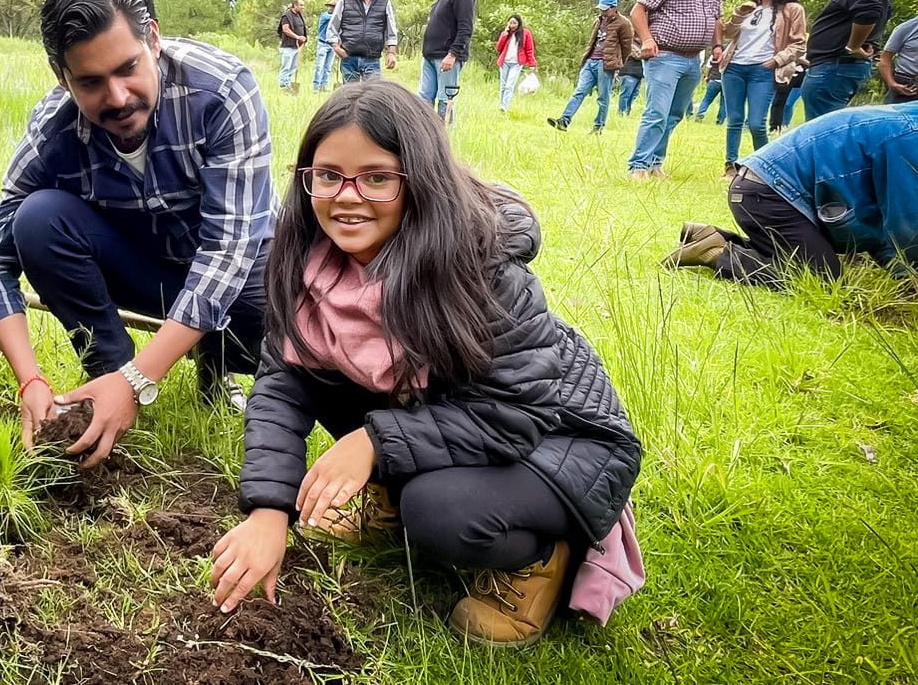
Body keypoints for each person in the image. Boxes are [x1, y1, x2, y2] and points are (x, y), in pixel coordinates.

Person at [210, 84, 642, 646]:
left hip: (559, 438)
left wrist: (372, 441)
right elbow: (281, 385)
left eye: (378, 177)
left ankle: (537, 558)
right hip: (454, 414)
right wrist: (269, 511)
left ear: (421, 180)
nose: (347, 197)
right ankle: (393, 495)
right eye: (328, 174)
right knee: (318, 376)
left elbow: (516, 410)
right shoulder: (307, 260)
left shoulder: (480, 267)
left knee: (437, 510)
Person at [0, 0, 275, 465]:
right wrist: (30, 378)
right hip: (147, 265)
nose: (116, 98)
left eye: (127, 68)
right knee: (36, 219)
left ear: (153, 39)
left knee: (274, 321)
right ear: (61, 75)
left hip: (245, 272)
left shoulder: (222, 93)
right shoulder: (54, 130)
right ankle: (108, 376)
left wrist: (141, 378)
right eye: (90, 82)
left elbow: (228, 253)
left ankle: (210, 365)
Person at [664, 103, 918, 287]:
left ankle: (708, 236)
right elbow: (907, 226)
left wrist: (896, 267)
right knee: (823, 279)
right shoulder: (910, 136)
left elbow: (884, 228)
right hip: (769, 195)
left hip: (765, 190)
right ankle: (718, 252)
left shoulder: (905, 122)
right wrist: (909, 278)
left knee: (811, 262)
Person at [626, 0, 726, 180]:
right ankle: (638, 166)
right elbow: (638, 11)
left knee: (674, 114)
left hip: (694, 60)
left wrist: (717, 46)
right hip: (665, 56)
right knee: (657, 112)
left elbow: (716, 18)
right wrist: (647, 39)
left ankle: (655, 163)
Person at [713, 0, 808, 178]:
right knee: (734, 119)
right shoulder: (750, 8)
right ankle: (730, 166)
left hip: (762, 70)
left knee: (756, 123)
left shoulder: (792, 9)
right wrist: (739, 14)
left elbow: (799, 44)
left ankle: (764, 170)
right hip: (734, 67)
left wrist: (776, 61)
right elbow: (728, 33)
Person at [800, 0, 893, 120]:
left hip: (835, 67)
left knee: (823, 133)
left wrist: (853, 46)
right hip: (840, 67)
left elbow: (869, 10)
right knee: (831, 127)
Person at [548, 0, 635, 133]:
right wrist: (586, 58)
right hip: (591, 61)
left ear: (614, 8)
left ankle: (598, 127)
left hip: (606, 64)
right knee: (579, 91)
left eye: (605, 10)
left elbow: (627, 48)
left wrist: (618, 64)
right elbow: (592, 42)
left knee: (603, 97)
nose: (602, 12)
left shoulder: (624, 24)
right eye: (601, 9)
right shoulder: (598, 21)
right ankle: (564, 120)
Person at [419, 0, 476, 123]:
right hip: (430, 55)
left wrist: (453, 54)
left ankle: (444, 139)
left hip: (446, 57)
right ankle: (424, 135)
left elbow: (466, 27)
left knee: (445, 99)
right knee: (423, 98)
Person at [330, 0, 399, 83]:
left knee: (372, 97)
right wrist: (336, 47)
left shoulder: (385, 2)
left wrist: (391, 53)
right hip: (349, 58)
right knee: (350, 96)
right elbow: (332, 27)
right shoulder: (345, 0)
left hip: (372, 59)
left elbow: (391, 30)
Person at [494, 15, 536, 114]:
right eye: (510, 23)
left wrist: (532, 64)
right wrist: (505, 34)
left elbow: (529, 49)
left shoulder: (525, 33)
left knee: (510, 85)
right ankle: (501, 105)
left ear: (519, 23)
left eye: (514, 23)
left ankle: (505, 106)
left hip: (516, 63)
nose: (512, 25)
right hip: (505, 62)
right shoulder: (506, 33)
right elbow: (498, 47)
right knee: (503, 85)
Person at [878, 14, 918, 105]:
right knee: (894, 117)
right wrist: (891, 83)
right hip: (907, 85)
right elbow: (884, 59)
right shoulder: (906, 28)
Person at [277, 0, 308, 92]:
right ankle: (283, 86)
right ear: (295, 5)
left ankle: (288, 85)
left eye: (303, 5)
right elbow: (285, 30)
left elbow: (302, 29)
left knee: (293, 67)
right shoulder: (287, 16)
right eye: (301, 5)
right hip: (287, 46)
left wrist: (303, 39)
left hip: (297, 47)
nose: (303, 7)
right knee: (286, 67)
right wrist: (297, 37)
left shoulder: (299, 16)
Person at [313, 0, 338, 92]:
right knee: (319, 66)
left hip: (332, 44)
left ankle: (324, 85)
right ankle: (316, 86)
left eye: (334, 6)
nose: (331, 8)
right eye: (330, 6)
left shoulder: (337, 17)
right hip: (323, 43)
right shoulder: (325, 16)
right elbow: (333, 19)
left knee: (328, 67)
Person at [616, 48, 644, 116]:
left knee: (633, 95)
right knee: (626, 95)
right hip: (628, 72)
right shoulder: (631, 43)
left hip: (638, 74)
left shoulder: (642, 45)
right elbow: (638, 55)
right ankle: (621, 114)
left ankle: (626, 114)